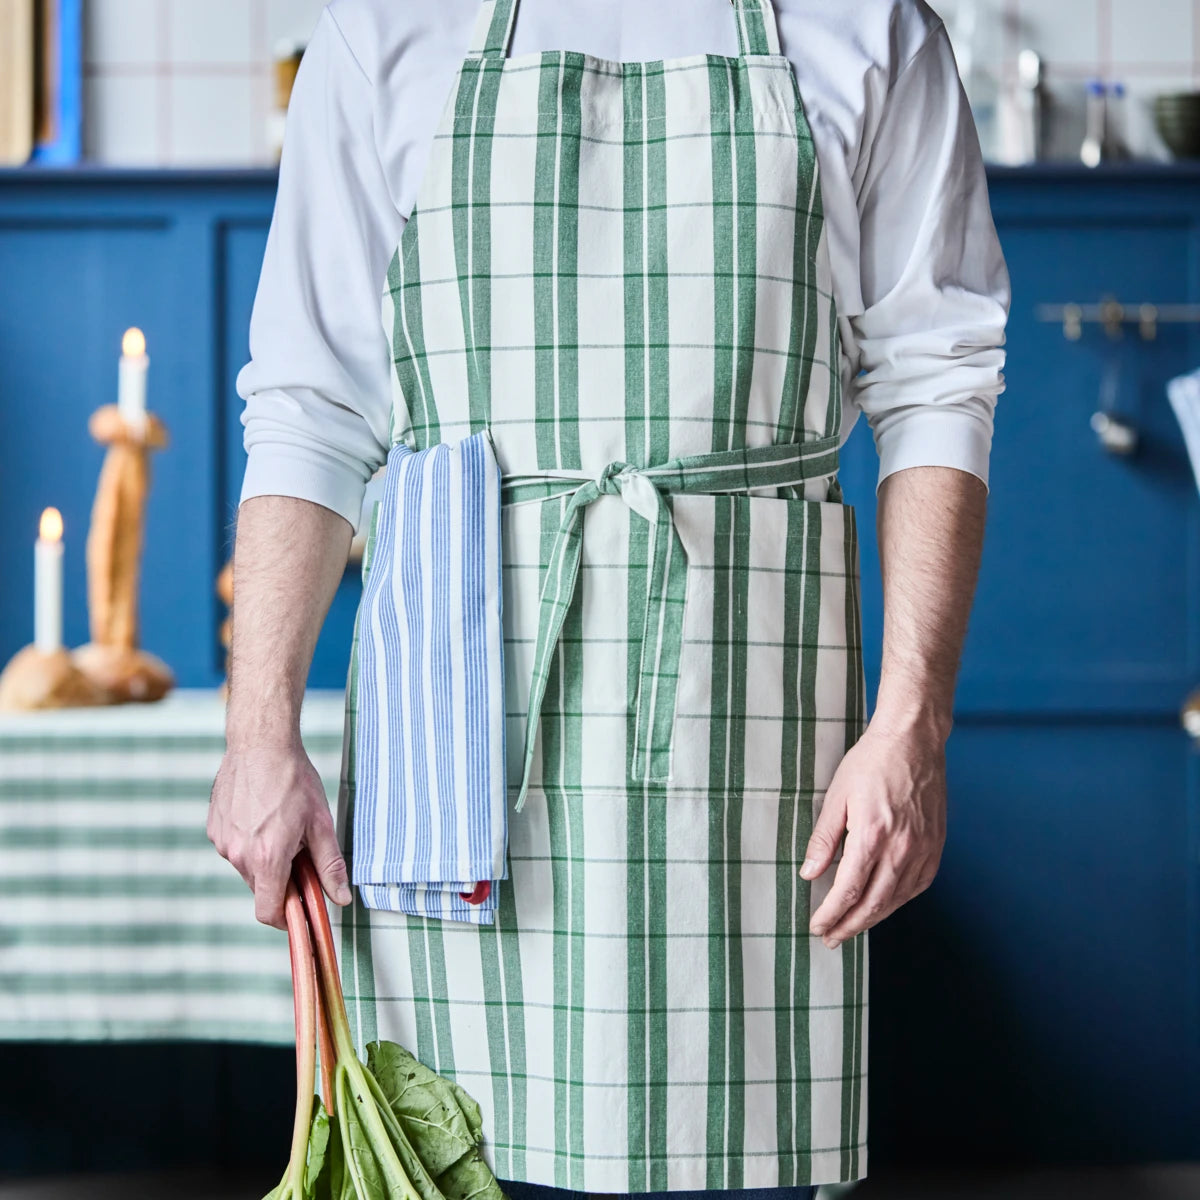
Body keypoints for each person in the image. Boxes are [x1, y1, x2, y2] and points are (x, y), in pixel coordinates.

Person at [207, 0, 1009, 1197]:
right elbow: (310, 407)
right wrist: (258, 734)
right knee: (450, 1155)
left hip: (745, 727)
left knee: (741, 1156)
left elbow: (938, 382)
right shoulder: (383, 27)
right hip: (460, 737)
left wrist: (912, 727)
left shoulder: (869, 25)